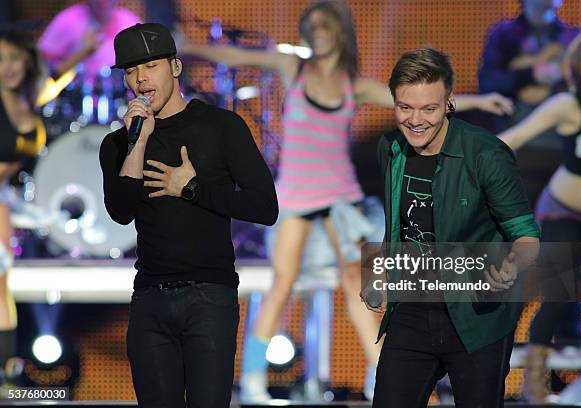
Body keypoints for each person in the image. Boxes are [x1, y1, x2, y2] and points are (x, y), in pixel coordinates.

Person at [180, 0, 515, 401]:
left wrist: (478, 102)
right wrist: (188, 46)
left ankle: (380, 372)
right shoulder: (294, 70)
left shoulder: (351, 84)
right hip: (298, 195)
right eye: (312, 28)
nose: (317, 35)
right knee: (282, 282)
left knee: (359, 283)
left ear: (339, 32)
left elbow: (412, 101)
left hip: (340, 197)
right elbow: (237, 54)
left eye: (325, 27)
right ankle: (253, 378)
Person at [99, 23, 278, 407]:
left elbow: (265, 207)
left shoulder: (221, 126)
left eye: (150, 66)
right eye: (130, 71)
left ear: (176, 68)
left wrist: (193, 189)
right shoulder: (118, 143)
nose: (140, 78)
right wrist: (139, 140)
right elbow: (120, 211)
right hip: (150, 301)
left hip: (209, 298)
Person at [370, 47, 540, 407]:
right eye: (405, 107)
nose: (416, 120)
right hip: (413, 310)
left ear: (449, 103)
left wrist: (511, 267)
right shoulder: (390, 149)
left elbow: (526, 236)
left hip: (477, 315)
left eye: (428, 109)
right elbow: (399, 227)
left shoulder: (486, 155)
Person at [498, 26, 581, 403]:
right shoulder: (568, 104)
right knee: (557, 294)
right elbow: (512, 138)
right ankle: (535, 383)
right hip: (563, 210)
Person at [0, 28, 46, 383]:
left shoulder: (29, 101)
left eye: (14, 58)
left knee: (2, 283)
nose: (8, 67)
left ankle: (5, 369)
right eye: (0, 60)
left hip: (5, 202)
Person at [478, 0, 580, 135]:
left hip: (563, 134)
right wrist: (532, 74)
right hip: (513, 132)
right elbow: (488, 82)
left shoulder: (573, 37)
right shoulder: (503, 34)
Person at [38, 0, 140, 82]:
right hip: (73, 99)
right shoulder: (68, 20)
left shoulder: (130, 22)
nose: (103, 2)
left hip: (119, 101)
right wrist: (80, 53)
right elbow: (40, 66)